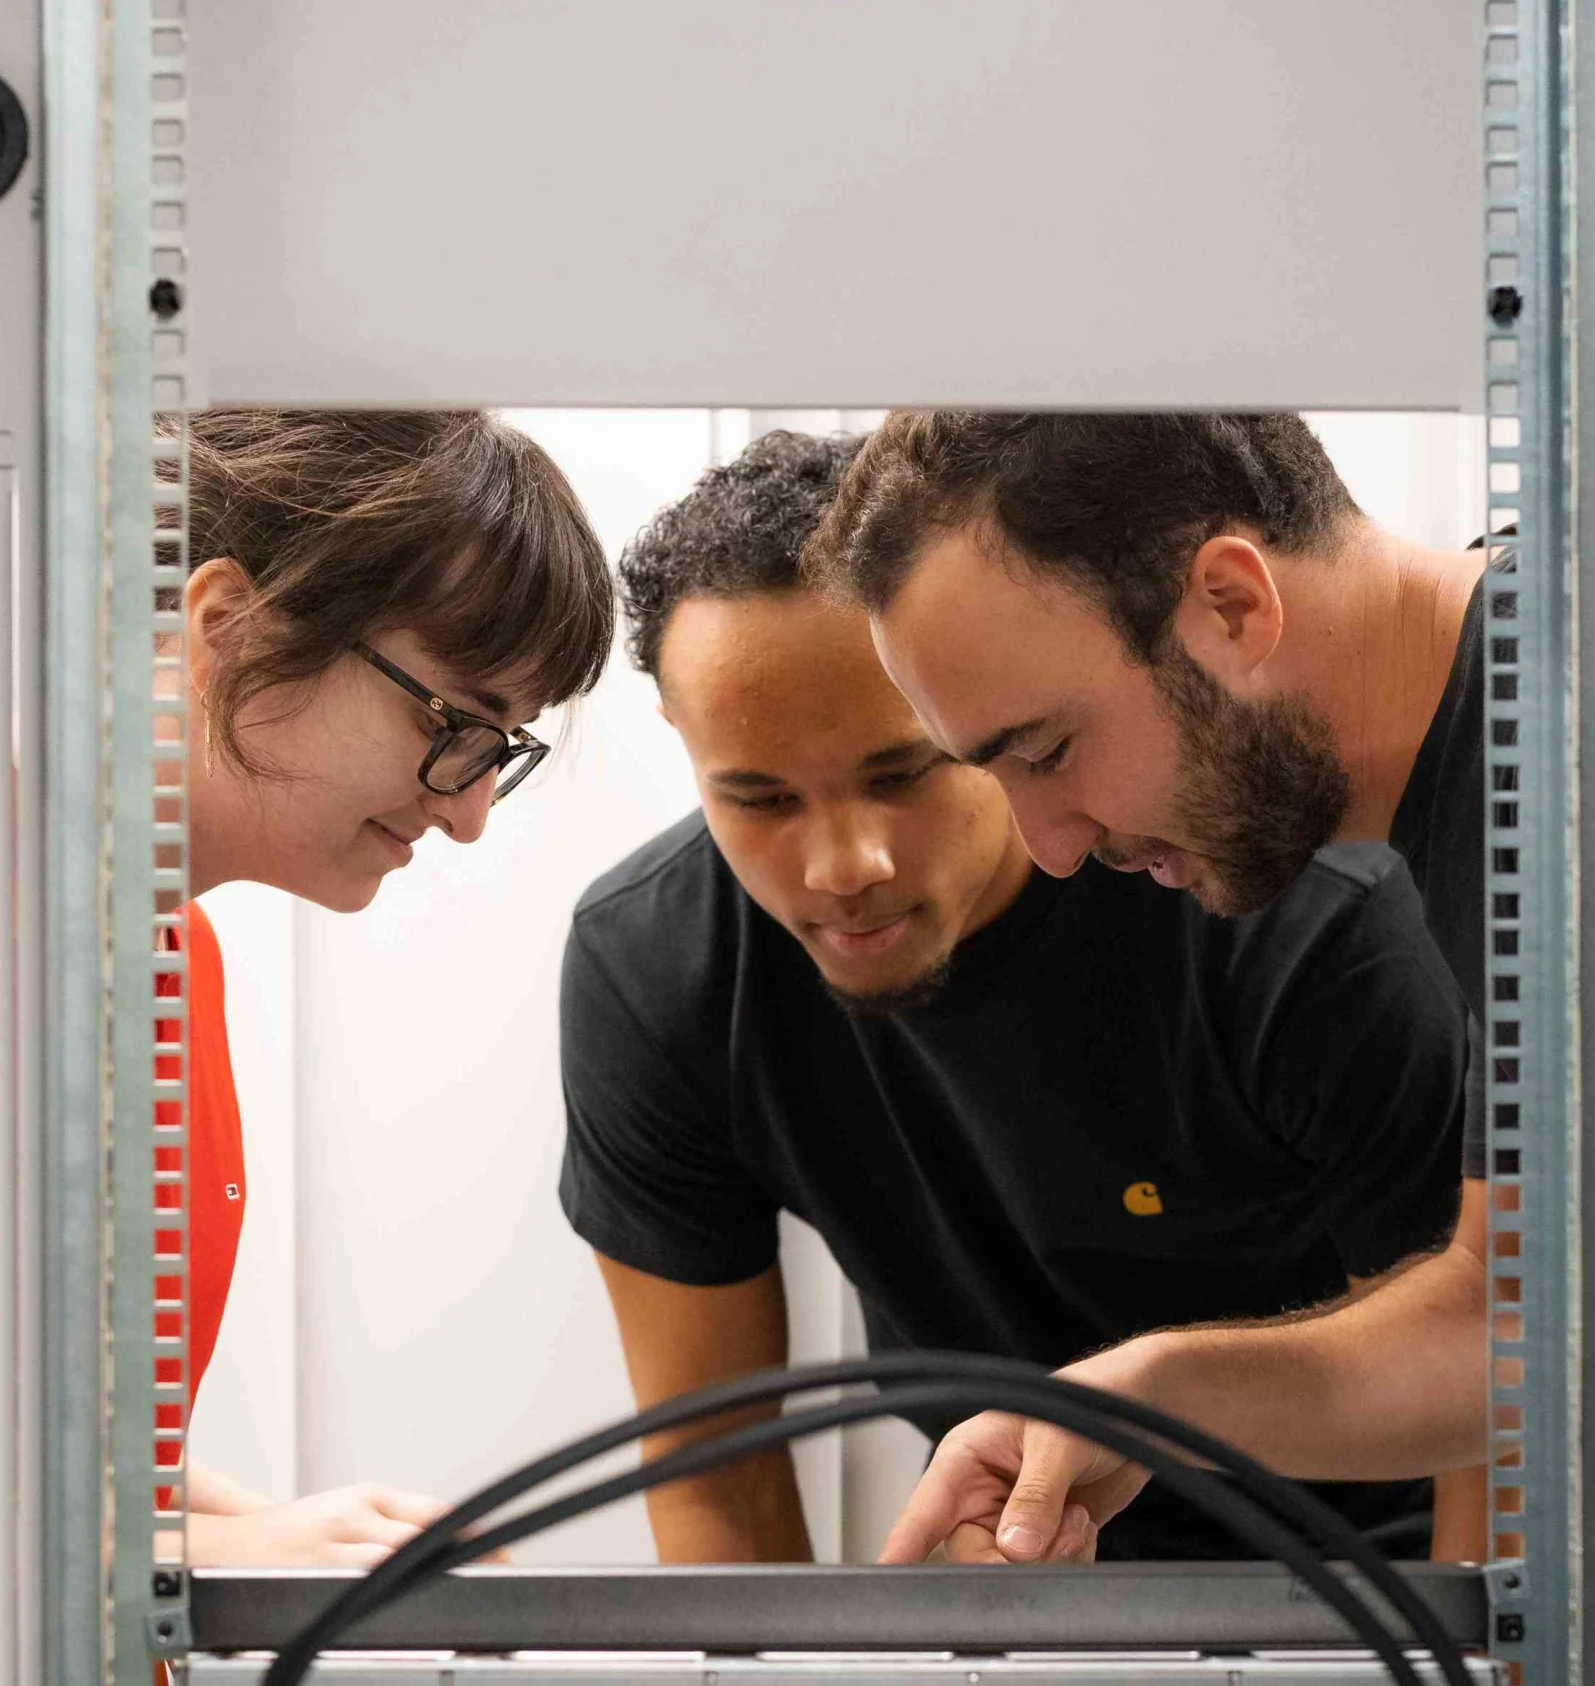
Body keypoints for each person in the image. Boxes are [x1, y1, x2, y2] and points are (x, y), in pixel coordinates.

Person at [558, 432, 1470, 1564]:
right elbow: (715, 1484)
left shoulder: (1295, 905)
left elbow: (1493, 1384)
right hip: (1000, 1601)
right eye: (757, 798)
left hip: (1363, 1601)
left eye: (905, 774)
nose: (845, 864)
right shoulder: (656, 966)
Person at [809, 411, 1493, 1567]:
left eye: (1048, 752)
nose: (1052, 845)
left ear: (1233, 604)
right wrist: (1146, 1396)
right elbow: (1509, 1328)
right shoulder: (1489, 769)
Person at [170, 407, 613, 1565]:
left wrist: (269, 1530)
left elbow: (67, 1459)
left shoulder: (173, 963)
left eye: (500, 752)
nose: (466, 813)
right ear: (229, 628)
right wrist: (219, 1560)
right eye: (457, 724)